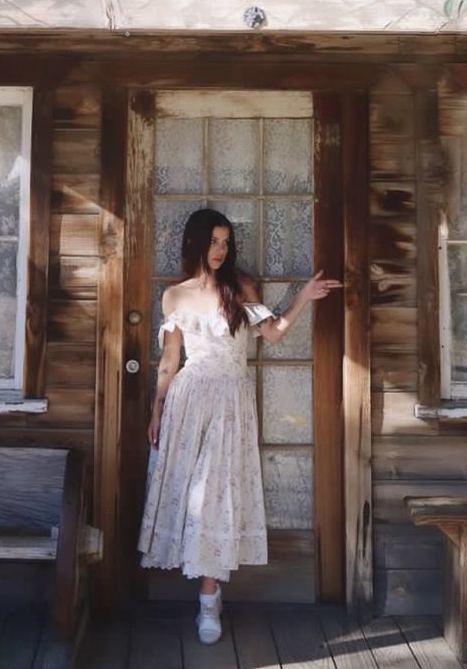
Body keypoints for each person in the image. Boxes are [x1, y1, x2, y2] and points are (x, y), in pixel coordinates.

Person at [138, 207, 342, 645]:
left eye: (226, 242)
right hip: (189, 401)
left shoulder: (241, 286)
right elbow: (170, 361)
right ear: (194, 242)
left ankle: (209, 600)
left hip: (231, 401)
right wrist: (157, 410)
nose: (220, 250)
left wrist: (304, 296)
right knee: (193, 497)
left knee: (214, 493)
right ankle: (207, 596)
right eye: (213, 241)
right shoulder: (174, 296)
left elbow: (274, 334)